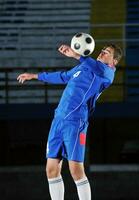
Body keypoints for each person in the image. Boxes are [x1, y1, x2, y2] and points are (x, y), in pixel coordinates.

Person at [17, 42, 123, 200]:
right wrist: (35, 76)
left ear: (114, 61)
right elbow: (63, 76)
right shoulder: (84, 67)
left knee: (76, 171)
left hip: (76, 121)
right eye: (102, 50)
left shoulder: (106, 73)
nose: (102, 53)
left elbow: (95, 66)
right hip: (58, 119)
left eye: (107, 52)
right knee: (51, 170)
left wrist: (76, 55)